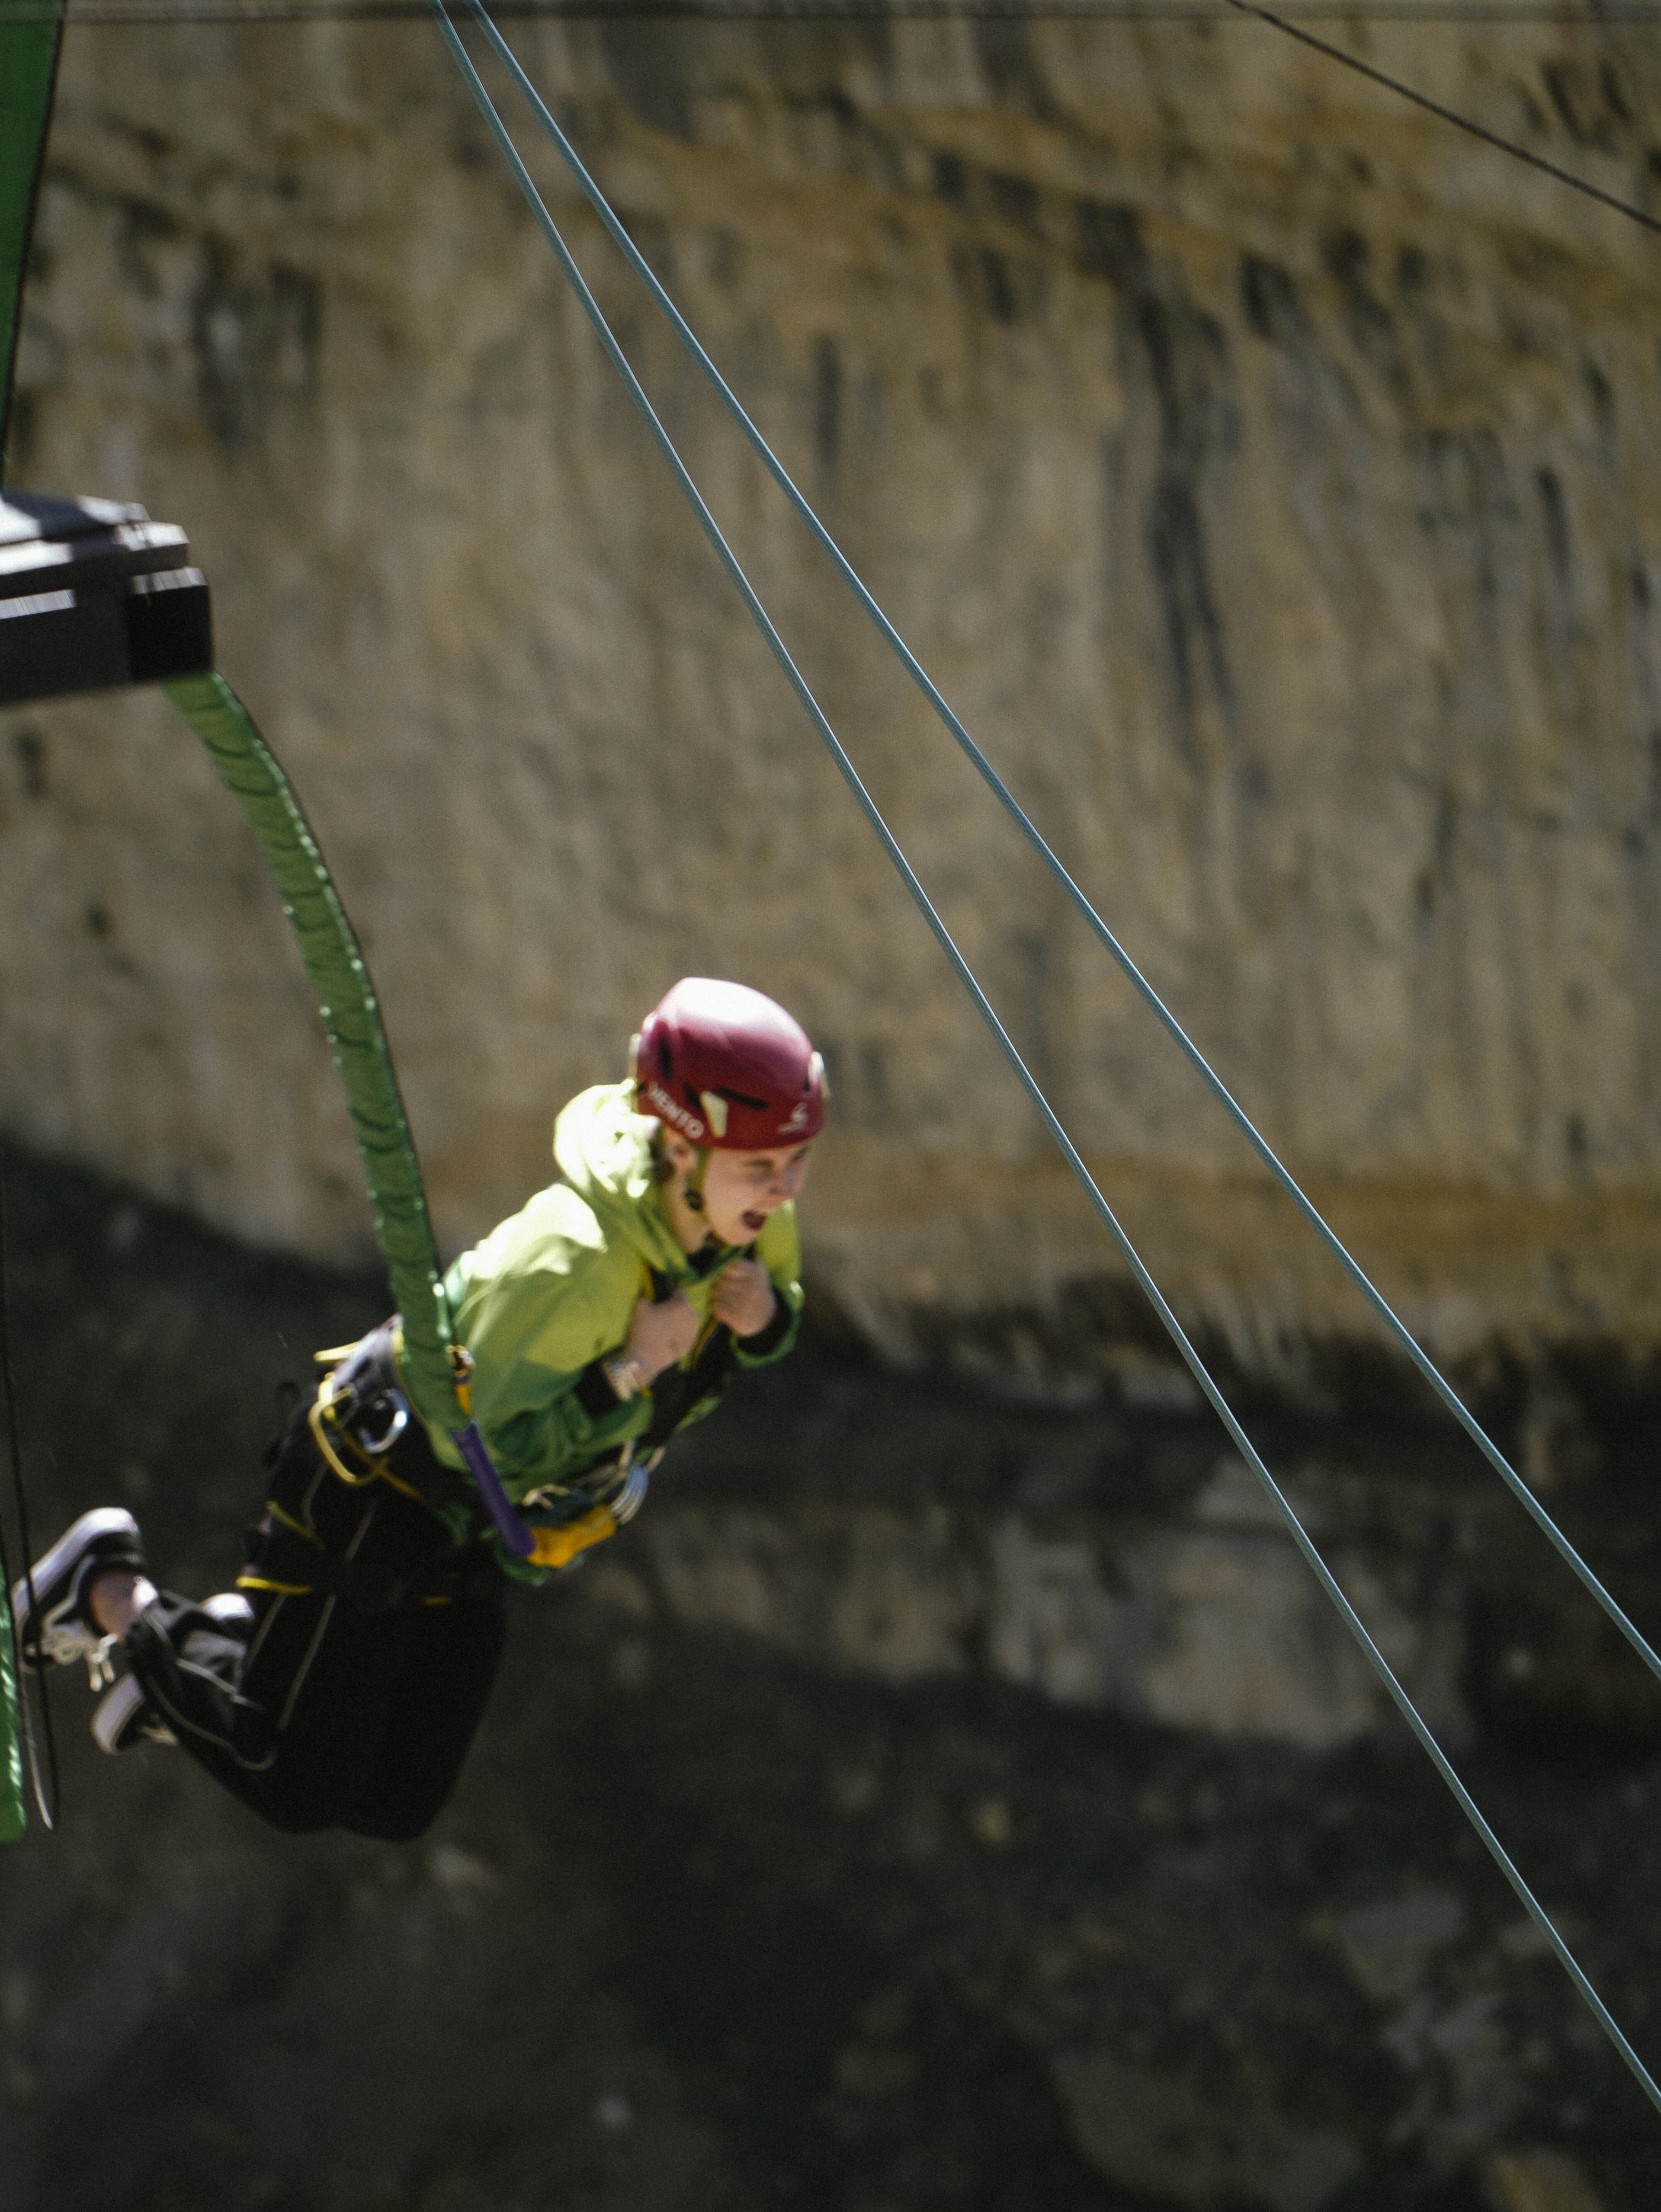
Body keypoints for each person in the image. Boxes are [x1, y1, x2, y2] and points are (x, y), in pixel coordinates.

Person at [9, 977, 824, 1840]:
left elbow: (765, 1319)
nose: (783, 1188)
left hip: (474, 1527)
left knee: (396, 1800)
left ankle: (219, 1654)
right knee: (289, 1776)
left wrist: (768, 1318)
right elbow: (479, 1439)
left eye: (796, 1162)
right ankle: (108, 1591)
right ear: (682, 1151)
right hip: (386, 1489)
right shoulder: (573, 1266)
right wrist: (624, 1371)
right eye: (762, 1166)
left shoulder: (746, 1225)